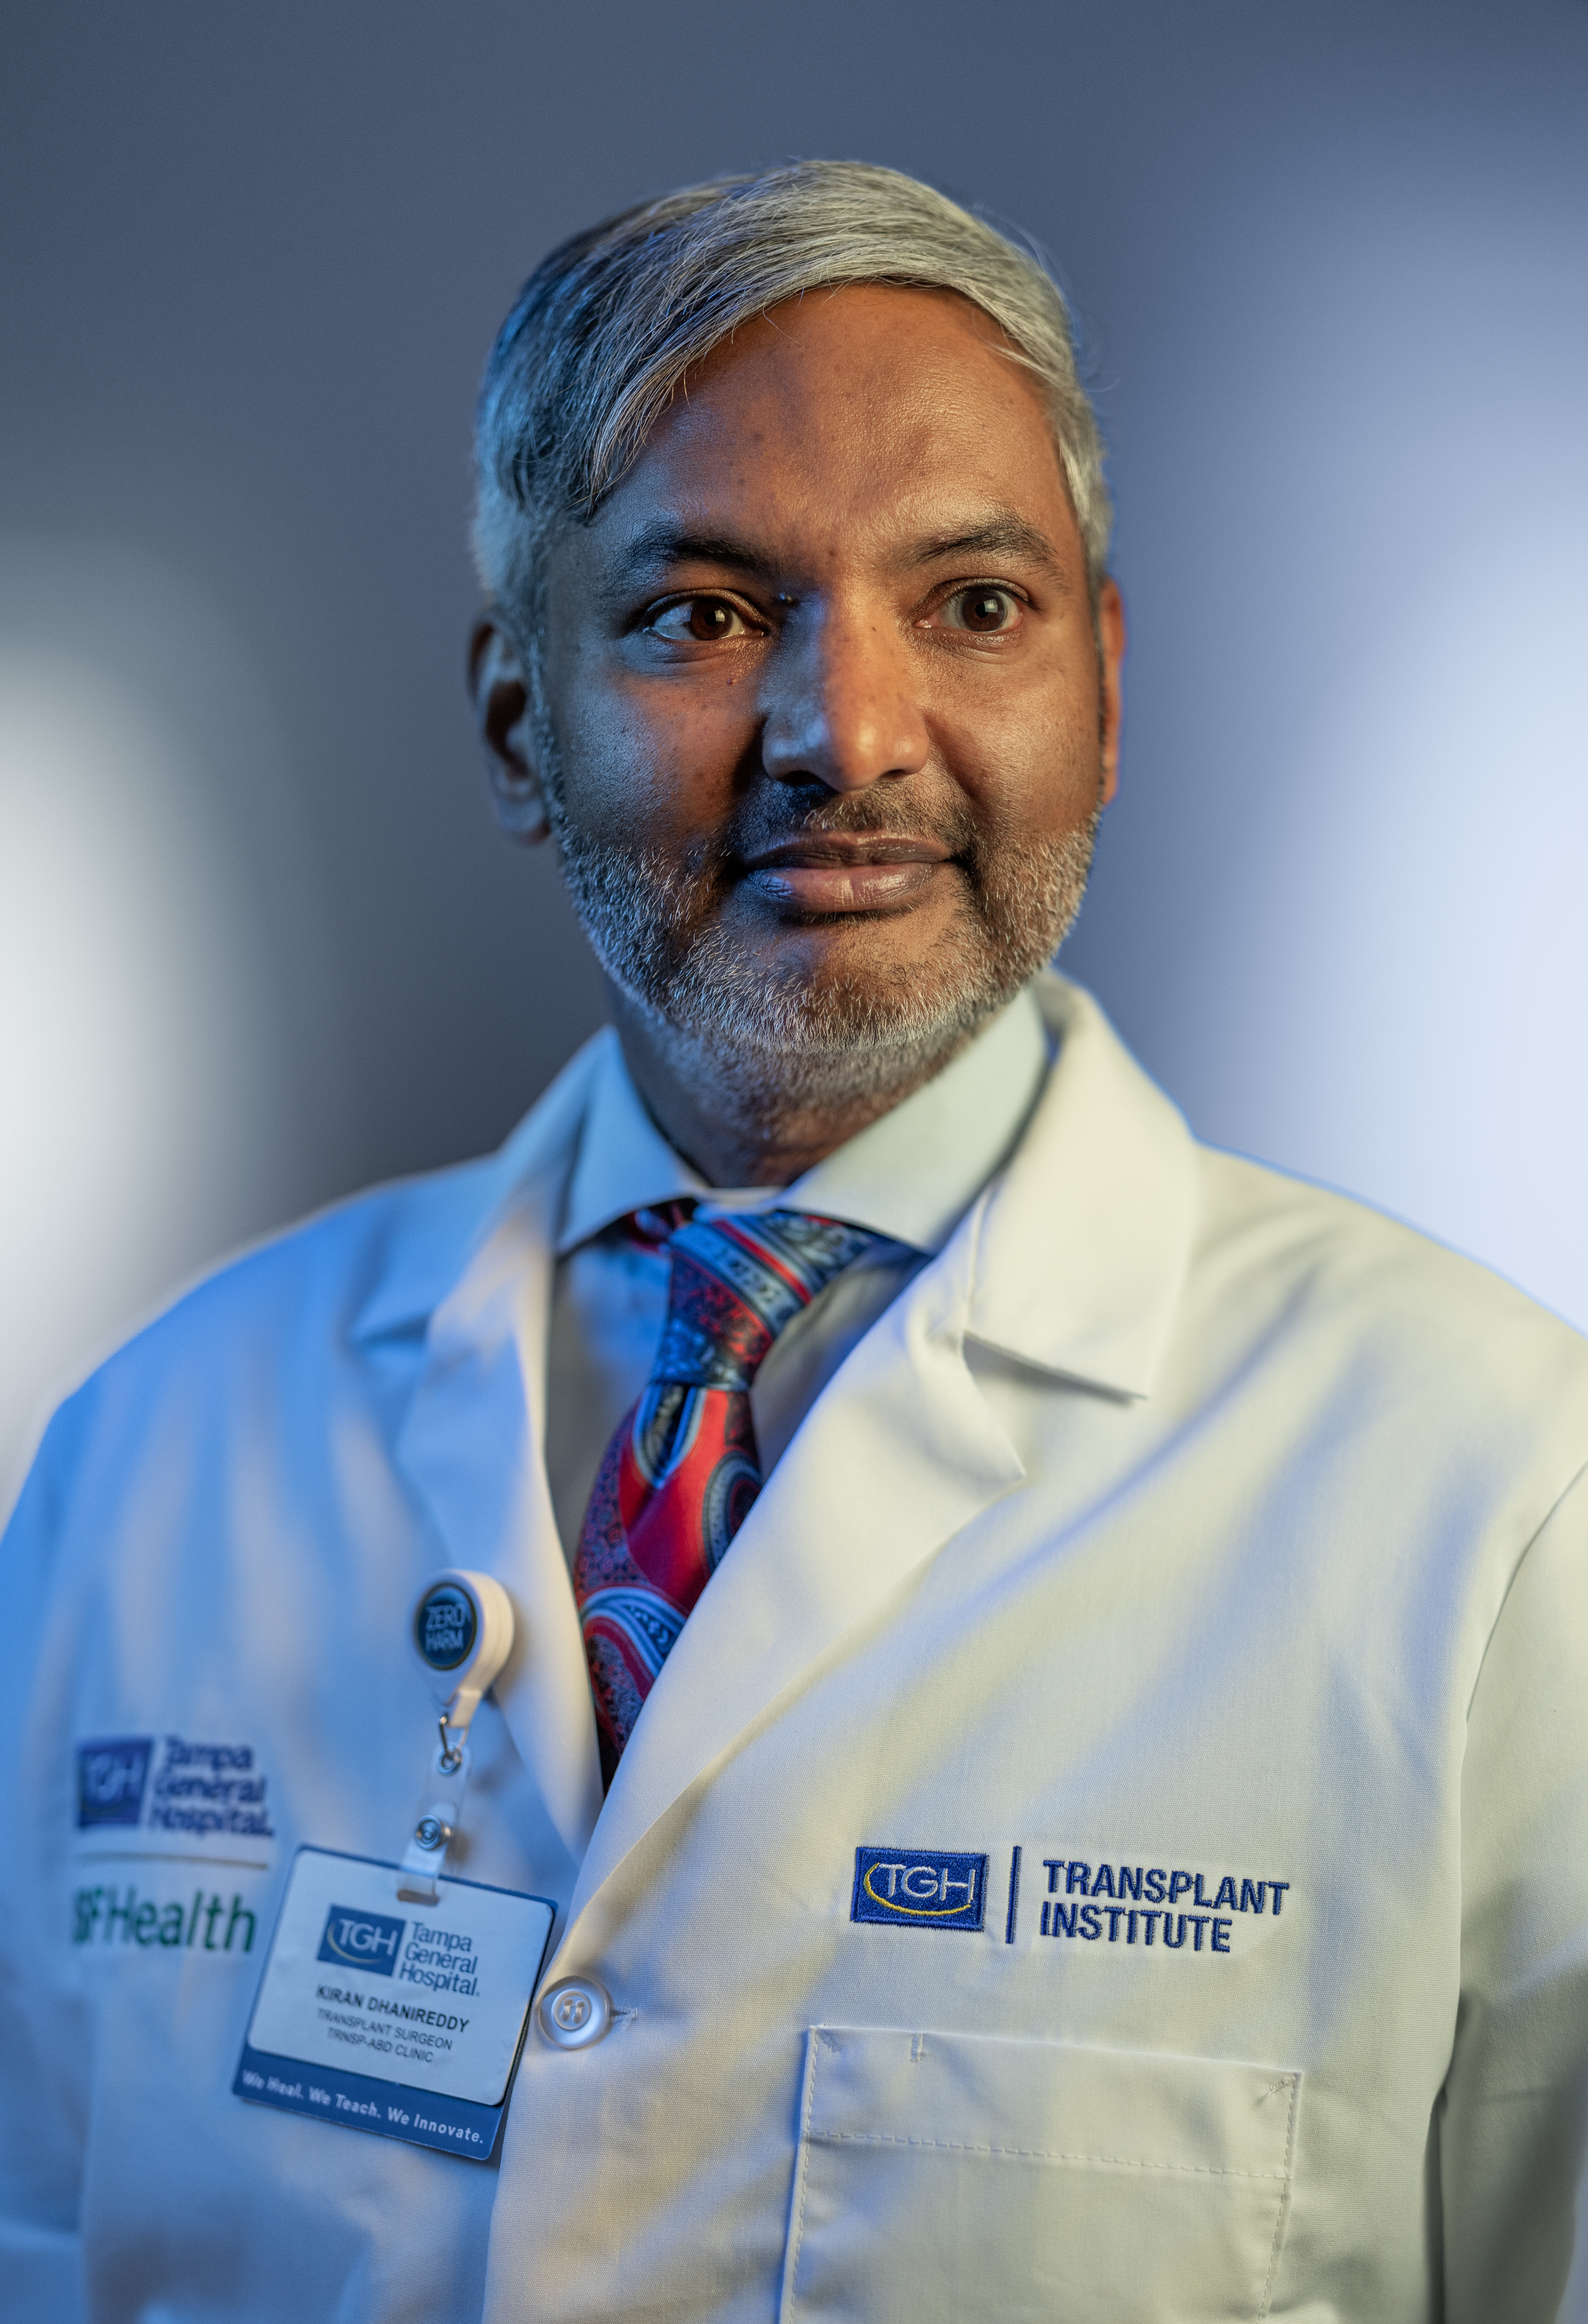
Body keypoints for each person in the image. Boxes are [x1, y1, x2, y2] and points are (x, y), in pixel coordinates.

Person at [2, 159, 1586, 2324]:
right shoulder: (151, 1455)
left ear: (1102, 694)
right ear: (511, 719)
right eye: (703, 613)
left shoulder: (1497, 1500)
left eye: (973, 606)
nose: (848, 739)